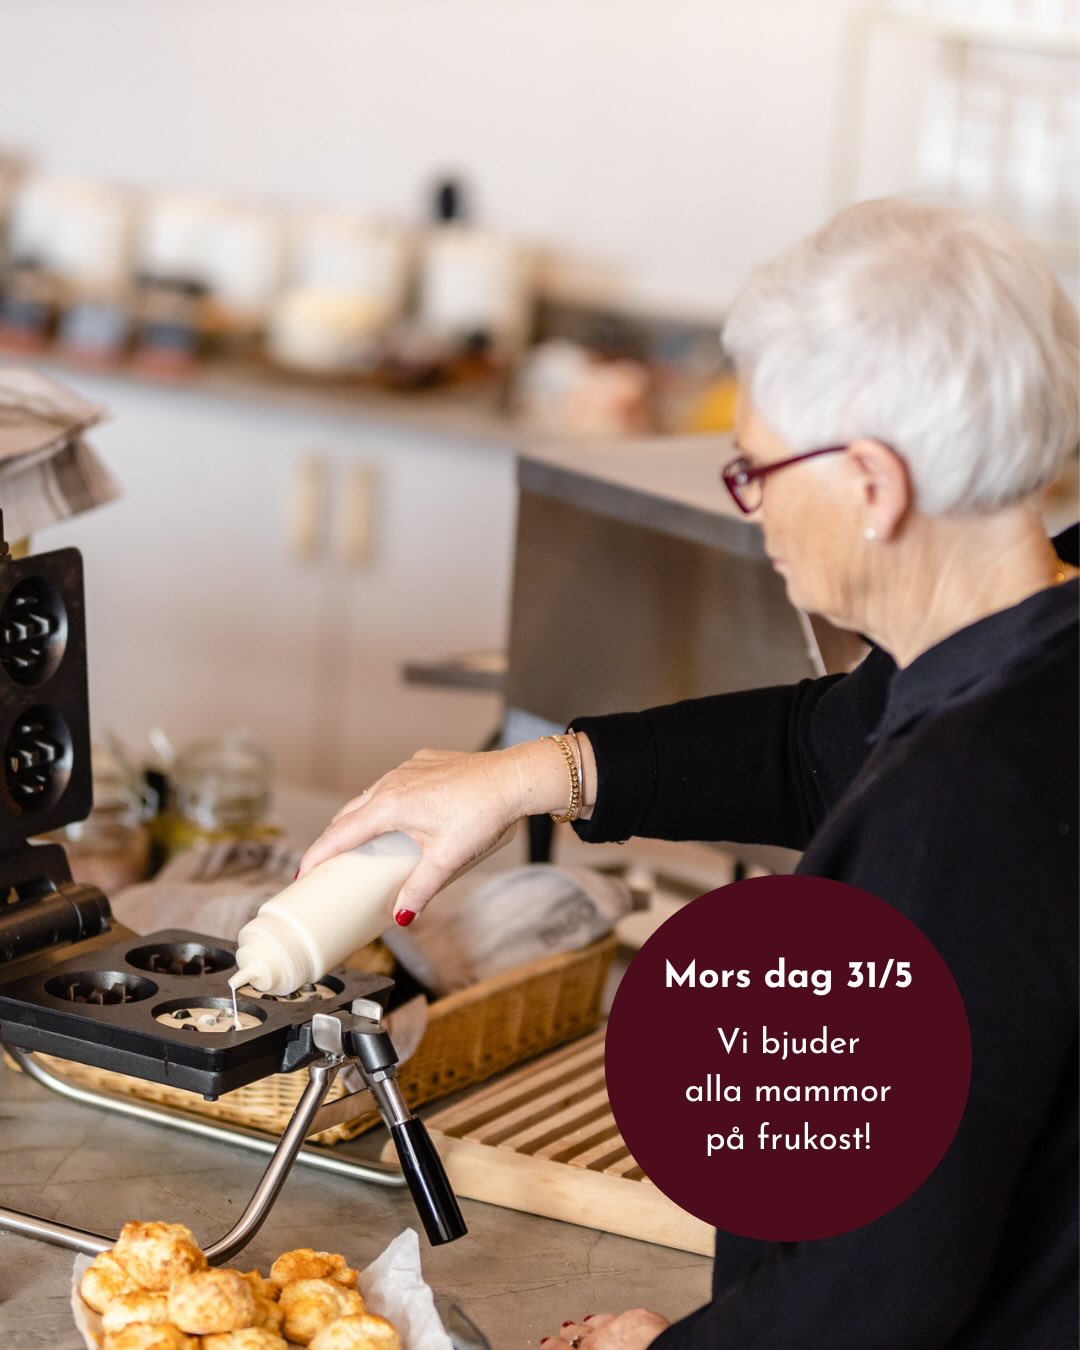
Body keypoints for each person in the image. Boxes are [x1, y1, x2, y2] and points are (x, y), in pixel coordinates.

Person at [300, 199, 1079, 1349]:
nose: (751, 502)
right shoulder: (1030, 647)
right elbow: (822, 743)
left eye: (755, 468)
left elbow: (878, 1292)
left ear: (872, 483)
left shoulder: (961, 809)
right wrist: (536, 773)